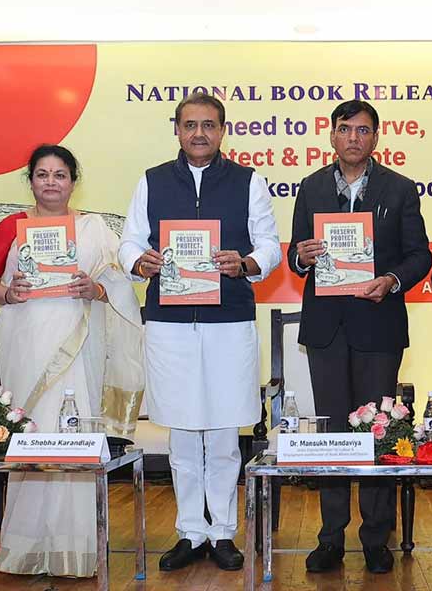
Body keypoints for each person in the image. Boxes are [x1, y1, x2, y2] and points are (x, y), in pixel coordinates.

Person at [119, 92, 281, 572]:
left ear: (222, 130)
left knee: (225, 428)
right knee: (183, 430)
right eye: (190, 124)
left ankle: (224, 532)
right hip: (169, 323)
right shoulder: (151, 181)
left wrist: (247, 261)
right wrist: (138, 260)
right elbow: (130, 239)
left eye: (209, 125)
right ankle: (191, 530)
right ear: (176, 129)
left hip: (229, 318)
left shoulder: (249, 181)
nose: (199, 133)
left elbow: (269, 242)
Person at [0, 144, 144, 577]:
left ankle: (76, 549)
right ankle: (26, 548)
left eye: (60, 174)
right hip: (27, 343)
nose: (51, 182)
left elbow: (119, 286)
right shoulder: (10, 226)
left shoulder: (94, 230)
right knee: (32, 436)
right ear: (30, 180)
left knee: (73, 436)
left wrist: (97, 291)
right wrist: (8, 293)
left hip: (80, 342)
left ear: (73, 181)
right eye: (42, 174)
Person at [288, 100, 431, 574]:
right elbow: (294, 258)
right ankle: (330, 538)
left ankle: (375, 537)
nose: (353, 137)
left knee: (378, 431)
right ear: (332, 136)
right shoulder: (309, 188)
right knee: (331, 432)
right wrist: (303, 257)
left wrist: (390, 280)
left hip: (378, 325)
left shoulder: (400, 189)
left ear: (376, 138)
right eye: (345, 129)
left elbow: (419, 257)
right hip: (327, 328)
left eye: (363, 130)